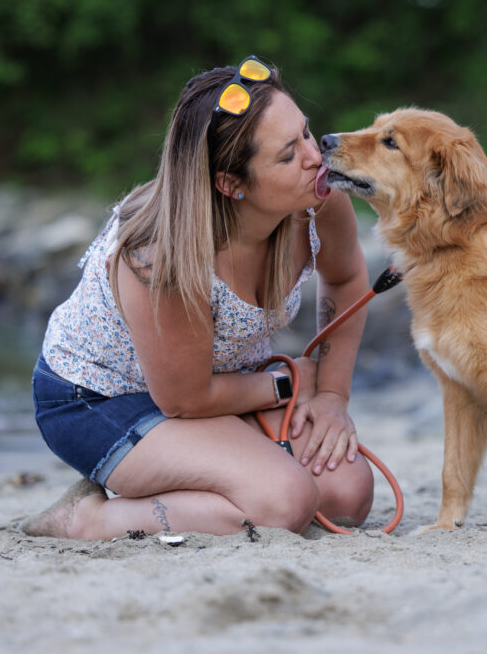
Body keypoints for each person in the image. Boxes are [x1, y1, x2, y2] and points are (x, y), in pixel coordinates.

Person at [21, 56, 374, 539]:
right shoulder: (160, 254)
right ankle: (87, 518)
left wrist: (332, 395)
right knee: (285, 503)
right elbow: (185, 399)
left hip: (216, 384)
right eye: (288, 155)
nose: (316, 156)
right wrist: (290, 385)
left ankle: (202, 483)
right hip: (101, 398)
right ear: (230, 184)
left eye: (307, 133)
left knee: (348, 494)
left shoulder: (318, 202)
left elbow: (349, 276)